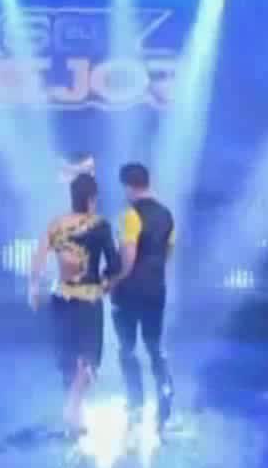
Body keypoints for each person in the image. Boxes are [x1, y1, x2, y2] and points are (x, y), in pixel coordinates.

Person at [29, 173, 120, 433]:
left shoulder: (56, 225)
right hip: (88, 300)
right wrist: (106, 284)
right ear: (92, 198)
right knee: (89, 359)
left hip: (61, 298)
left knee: (69, 361)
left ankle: (76, 418)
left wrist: (33, 287)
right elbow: (114, 264)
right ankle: (72, 407)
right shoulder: (100, 225)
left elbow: (38, 257)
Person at [109, 162, 175, 432]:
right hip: (156, 290)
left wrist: (112, 281)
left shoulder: (130, 216)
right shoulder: (167, 215)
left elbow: (128, 259)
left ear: (128, 186)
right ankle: (165, 398)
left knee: (127, 348)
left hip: (129, 292)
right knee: (155, 346)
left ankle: (136, 402)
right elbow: (167, 253)